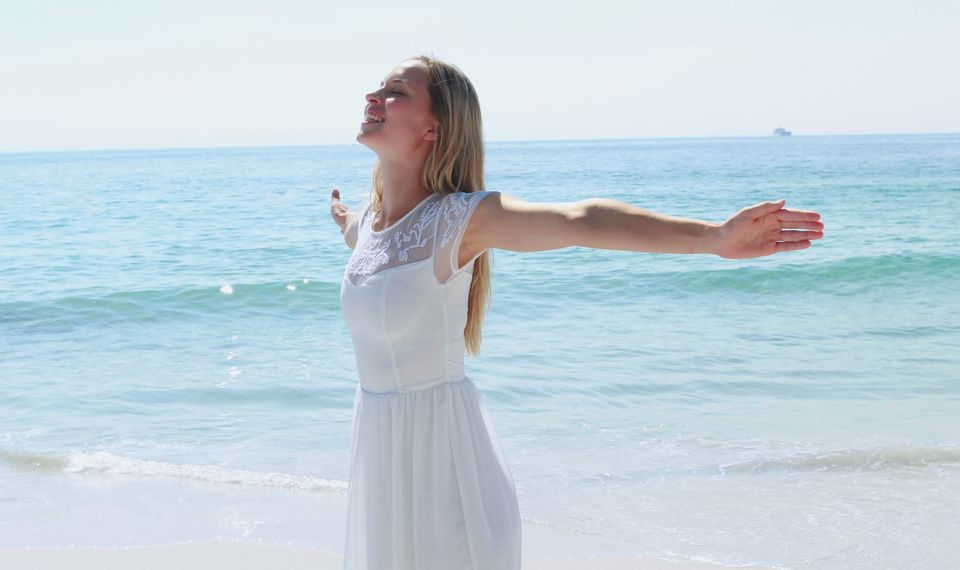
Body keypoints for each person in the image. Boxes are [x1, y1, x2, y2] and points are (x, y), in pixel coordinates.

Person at [329, 55, 823, 570]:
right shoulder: (372, 227)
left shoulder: (460, 219)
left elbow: (581, 219)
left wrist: (714, 239)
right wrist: (343, 214)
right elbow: (361, 236)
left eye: (395, 92)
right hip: (381, 460)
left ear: (435, 128)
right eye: (377, 89)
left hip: (446, 463)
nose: (373, 98)